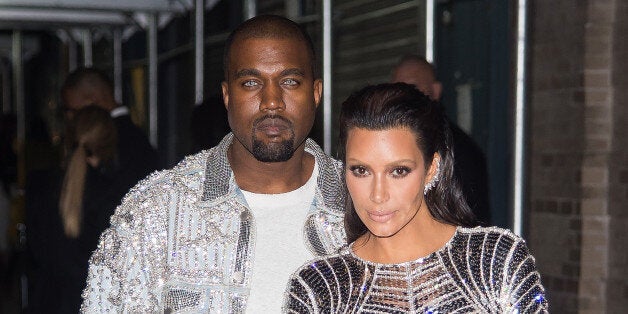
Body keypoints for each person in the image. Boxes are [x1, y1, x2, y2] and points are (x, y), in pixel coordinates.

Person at [81, 15, 346, 313]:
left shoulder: (366, 208)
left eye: (289, 81)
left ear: (315, 93)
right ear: (227, 96)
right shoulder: (156, 212)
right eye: (251, 82)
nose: (272, 101)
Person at [284, 83, 548, 313]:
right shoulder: (321, 287)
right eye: (361, 170)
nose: (378, 195)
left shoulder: (492, 260)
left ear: (432, 168)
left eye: (398, 171)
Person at [392, 55, 491, 226]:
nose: (404, 97)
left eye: (413, 88)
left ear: (435, 91)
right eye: (397, 90)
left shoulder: (459, 150)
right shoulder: (386, 142)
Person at [61, 67, 159, 190]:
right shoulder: (136, 137)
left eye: (73, 111)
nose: (70, 118)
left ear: (93, 102)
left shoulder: (111, 140)